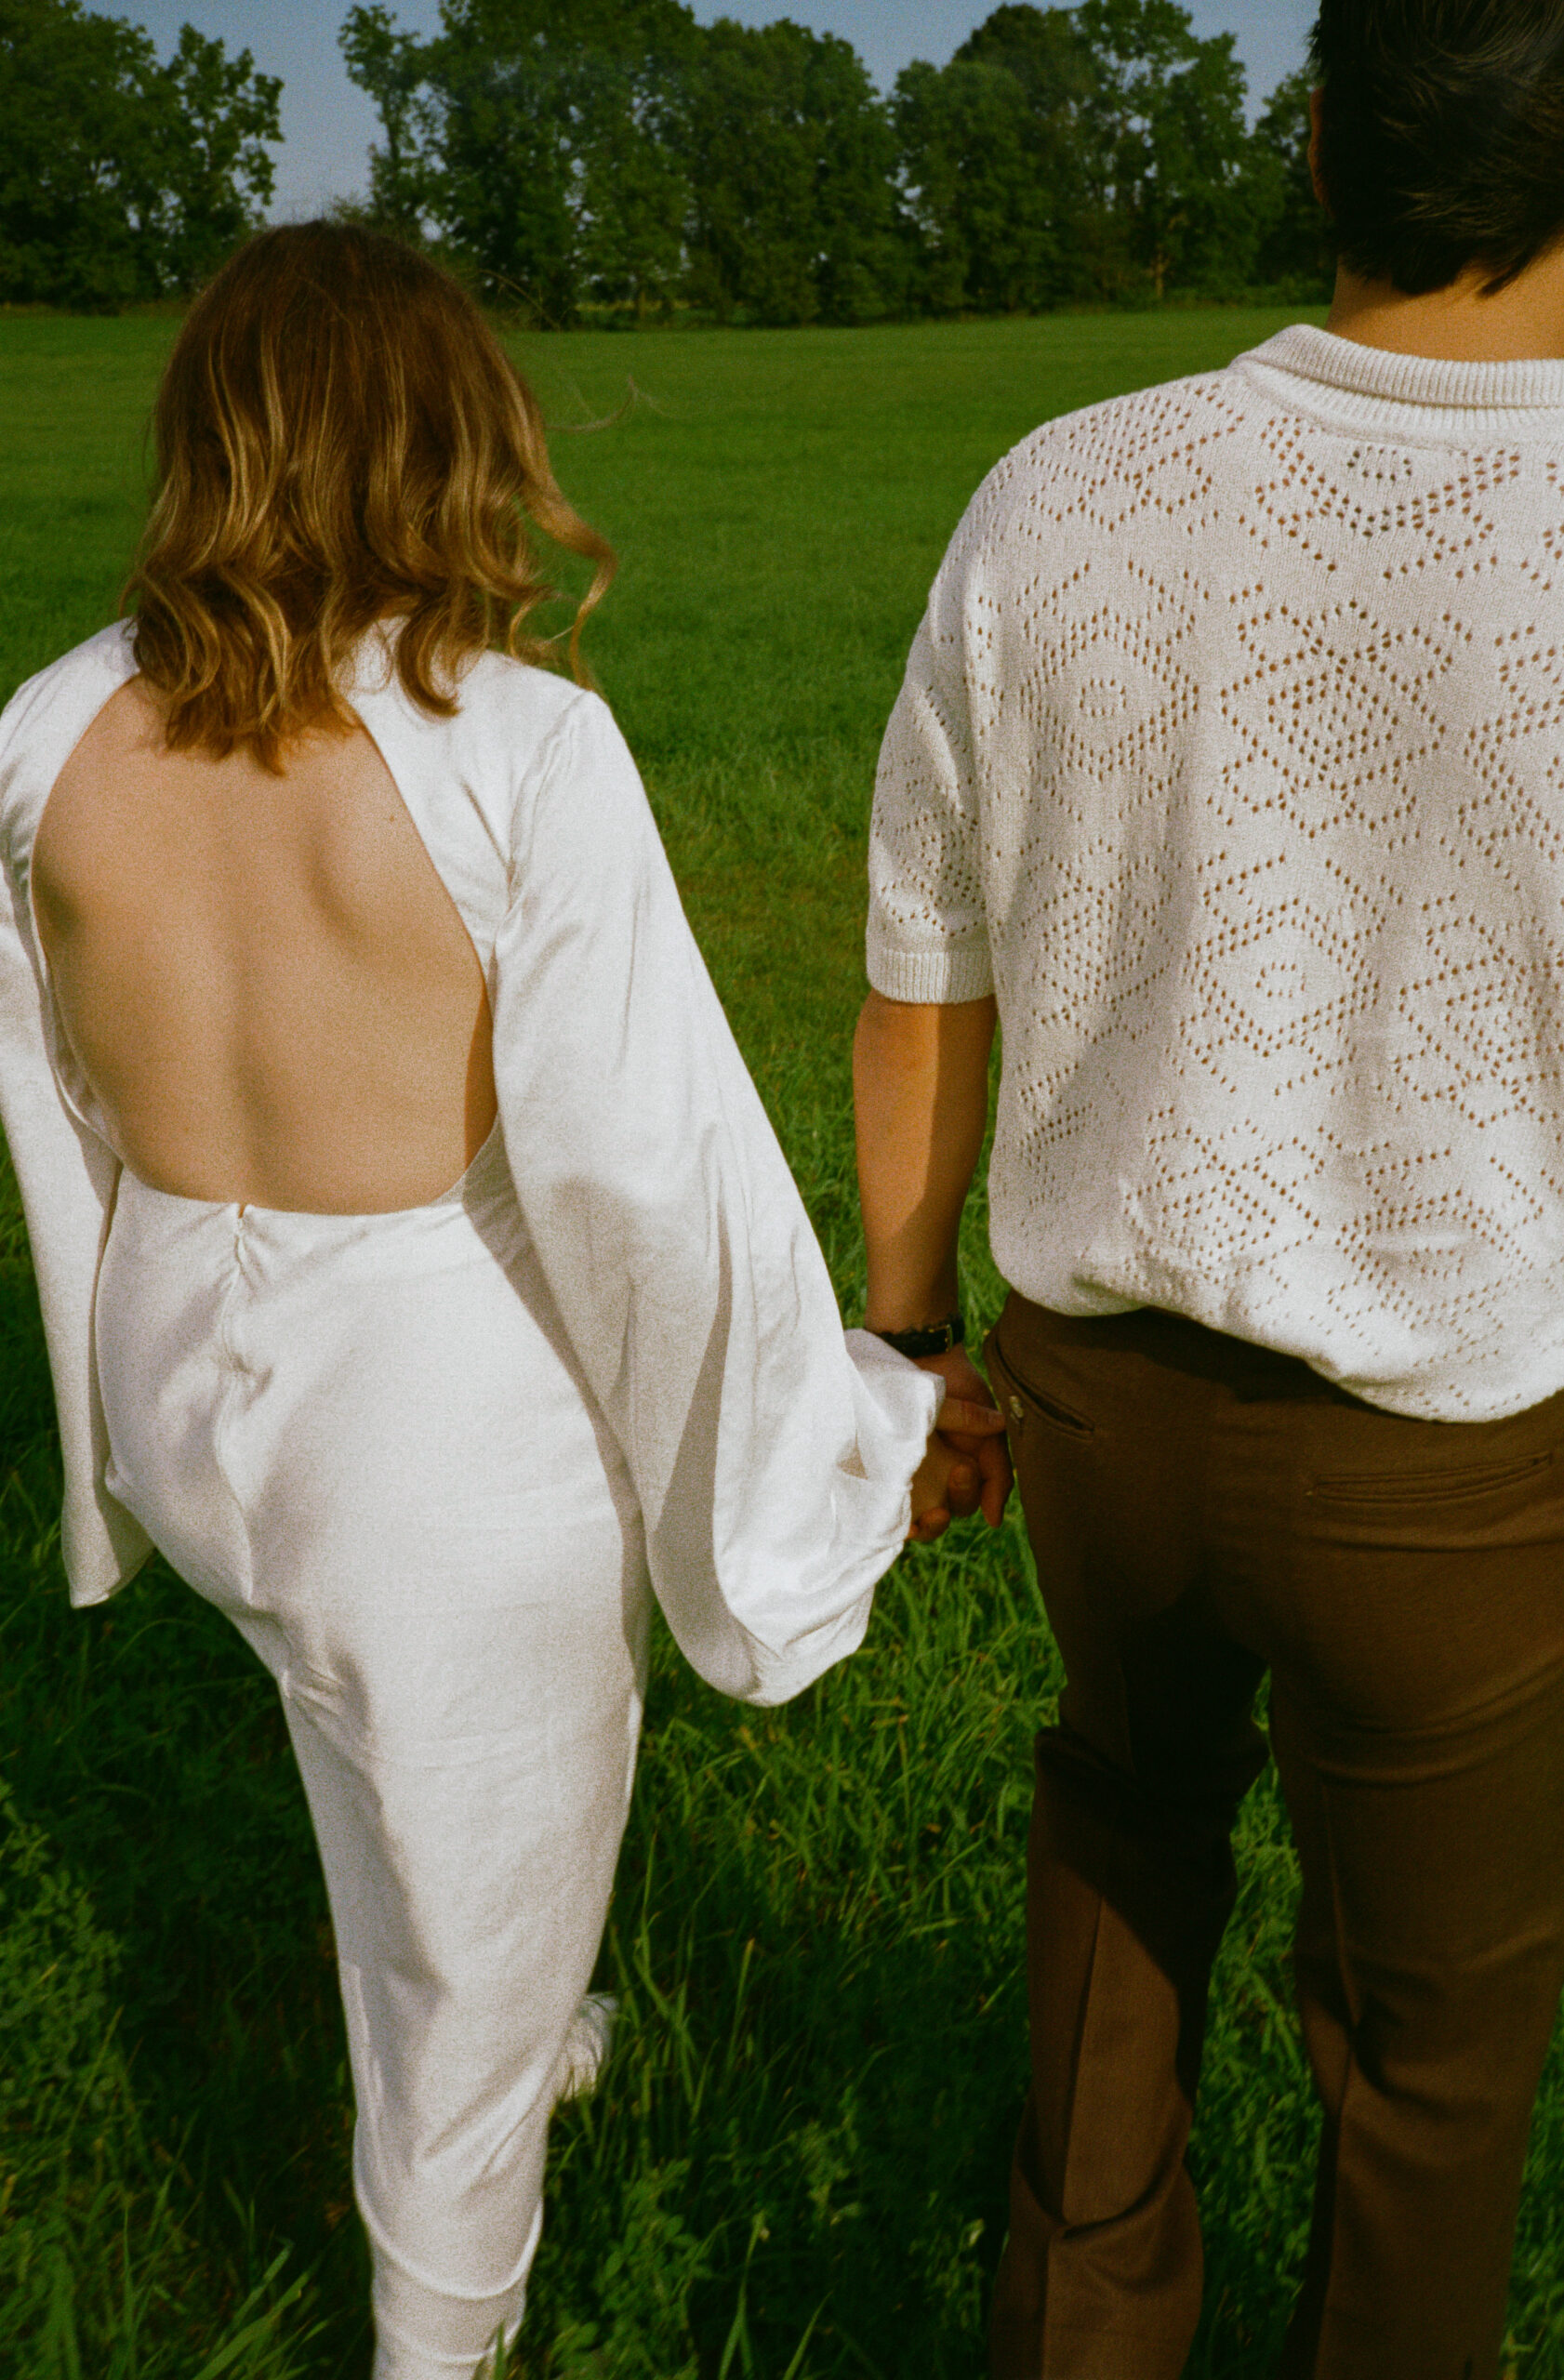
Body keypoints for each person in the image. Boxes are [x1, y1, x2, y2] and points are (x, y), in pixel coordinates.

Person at [0, 223, 1003, 2380]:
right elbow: (644, 1176)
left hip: (189, 1366)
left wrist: (116, 1426)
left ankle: (529, 1999)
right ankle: (436, 2339)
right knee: (467, 1955)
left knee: (376, 1753)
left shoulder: (46, 729)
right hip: (433, 1431)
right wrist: (849, 1421)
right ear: (458, 440)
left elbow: (56, 1102)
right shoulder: (512, 746)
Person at [854, 4, 1564, 2373]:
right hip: (1466, 1464)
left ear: (1313, 138)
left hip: (1099, 1404)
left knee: (1119, 1840)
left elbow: (918, 957)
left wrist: (911, 1326)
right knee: (1432, 2062)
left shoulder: (1062, 484)